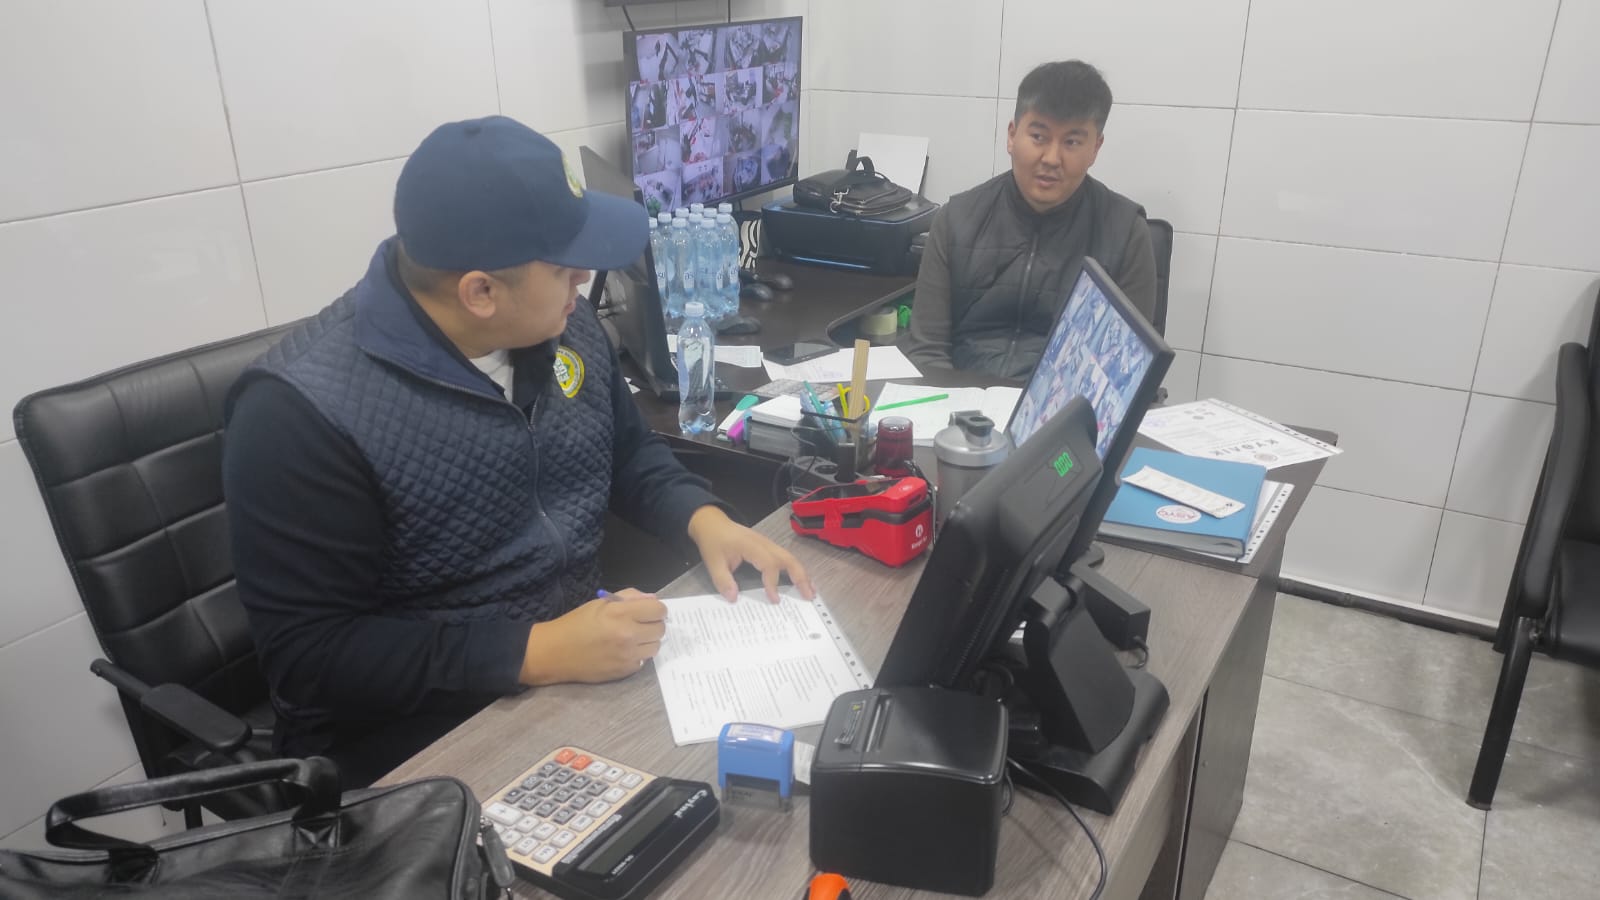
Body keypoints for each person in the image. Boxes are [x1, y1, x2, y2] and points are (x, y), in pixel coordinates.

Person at [223, 116, 813, 786]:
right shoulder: (299, 414)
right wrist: (537, 652)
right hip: (412, 743)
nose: (585, 280)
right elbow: (312, 658)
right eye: (564, 268)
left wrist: (703, 520)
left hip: (574, 667)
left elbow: (625, 453)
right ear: (480, 292)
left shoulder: (563, 324)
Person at [903, 60, 1157, 379]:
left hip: (1065, 403)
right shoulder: (956, 219)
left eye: (1072, 142)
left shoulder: (1126, 232)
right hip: (963, 398)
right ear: (1012, 136)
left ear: (1095, 148)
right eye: (1038, 136)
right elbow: (927, 350)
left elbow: (1124, 368)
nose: (1051, 158)